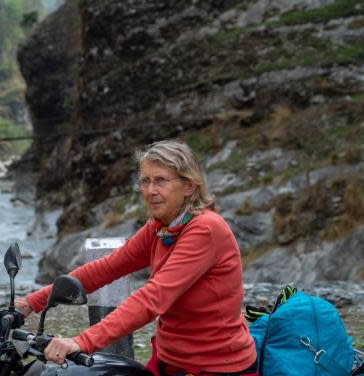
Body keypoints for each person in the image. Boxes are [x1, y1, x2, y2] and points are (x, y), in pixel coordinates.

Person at [15, 140, 258, 376]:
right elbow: (105, 269)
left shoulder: (205, 229)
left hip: (214, 366)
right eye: (145, 181)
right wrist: (31, 302)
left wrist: (83, 341)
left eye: (161, 180)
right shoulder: (162, 227)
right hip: (169, 360)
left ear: (189, 186)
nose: (151, 191)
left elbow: (153, 297)